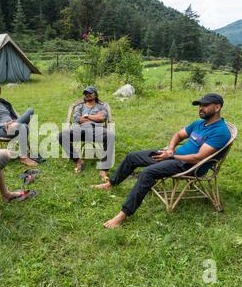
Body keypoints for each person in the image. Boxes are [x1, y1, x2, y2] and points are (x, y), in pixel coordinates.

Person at [93, 93, 231, 228]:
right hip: (173, 156)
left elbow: (198, 158)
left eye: (205, 105)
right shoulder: (200, 124)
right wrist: (170, 149)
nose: (201, 108)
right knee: (132, 156)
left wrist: (171, 156)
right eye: (200, 105)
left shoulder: (220, 131)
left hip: (188, 166)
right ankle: (111, 183)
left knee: (147, 173)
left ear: (217, 107)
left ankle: (123, 215)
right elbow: (178, 134)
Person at [58, 86, 114, 181]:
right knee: (61, 136)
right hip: (81, 130)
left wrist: (87, 116)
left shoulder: (101, 106)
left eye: (90, 93)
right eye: (85, 93)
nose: (87, 94)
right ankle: (78, 160)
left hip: (97, 130)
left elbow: (102, 118)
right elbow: (77, 119)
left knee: (110, 136)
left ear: (95, 94)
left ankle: (104, 168)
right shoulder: (80, 106)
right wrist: (95, 117)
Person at [0, 83, 38, 167]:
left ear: (0, 92)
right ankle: (24, 157)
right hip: (2, 130)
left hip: (13, 126)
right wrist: (4, 124)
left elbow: (12, 114)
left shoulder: (4, 103)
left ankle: (23, 156)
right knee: (23, 126)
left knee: (30, 111)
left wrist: (14, 120)